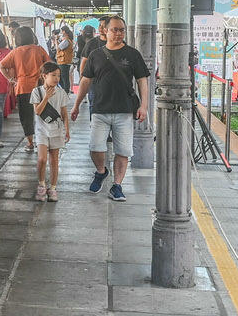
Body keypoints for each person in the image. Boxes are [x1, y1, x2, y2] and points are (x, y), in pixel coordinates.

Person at [71, 16, 149, 201]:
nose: (119, 33)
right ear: (105, 31)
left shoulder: (132, 54)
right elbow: (85, 81)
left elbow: (142, 81)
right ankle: (101, 171)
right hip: (100, 109)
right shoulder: (96, 55)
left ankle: (117, 186)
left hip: (124, 110)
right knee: (95, 147)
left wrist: (144, 105)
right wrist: (76, 105)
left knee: (123, 151)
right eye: (115, 29)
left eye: (122, 29)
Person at [0, 26, 48, 152]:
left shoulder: (16, 51)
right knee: (41, 114)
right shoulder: (39, 50)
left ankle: (30, 143)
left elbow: (1, 65)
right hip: (39, 86)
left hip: (22, 87)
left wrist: (11, 79)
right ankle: (41, 142)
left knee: (26, 116)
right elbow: (50, 65)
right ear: (31, 36)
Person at [31, 62, 71, 201]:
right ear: (44, 76)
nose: (56, 78)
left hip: (57, 130)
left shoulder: (61, 92)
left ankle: (53, 188)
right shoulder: (36, 92)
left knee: (54, 160)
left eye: (58, 76)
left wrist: (67, 129)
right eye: (53, 75)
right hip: (41, 130)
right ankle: (41, 184)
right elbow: (37, 111)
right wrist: (46, 97)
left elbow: (64, 113)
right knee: (42, 159)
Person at [52, 24, 76, 92]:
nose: (61, 33)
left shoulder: (66, 41)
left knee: (64, 78)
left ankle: (66, 91)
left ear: (64, 32)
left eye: (61, 31)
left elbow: (58, 48)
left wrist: (56, 40)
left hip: (63, 62)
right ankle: (65, 91)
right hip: (64, 61)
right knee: (63, 78)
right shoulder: (68, 40)